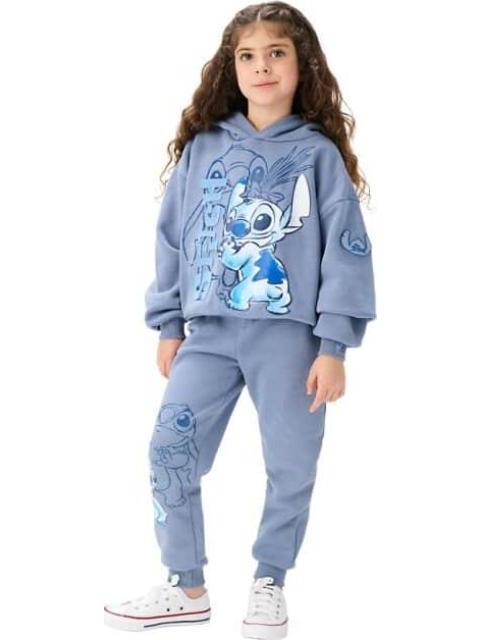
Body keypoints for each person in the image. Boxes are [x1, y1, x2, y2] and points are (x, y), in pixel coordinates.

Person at [104, 2, 377, 637]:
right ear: (232, 68)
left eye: (276, 53)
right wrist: (169, 323)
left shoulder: (317, 155)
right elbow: (173, 236)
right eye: (248, 56)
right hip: (207, 334)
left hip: (291, 339)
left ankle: (269, 582)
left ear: (302, 65)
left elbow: (347, 250)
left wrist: (334, 345)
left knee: (291, 464)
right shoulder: (204, 148)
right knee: (170, 449)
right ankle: (186, 586)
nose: (262, 67)